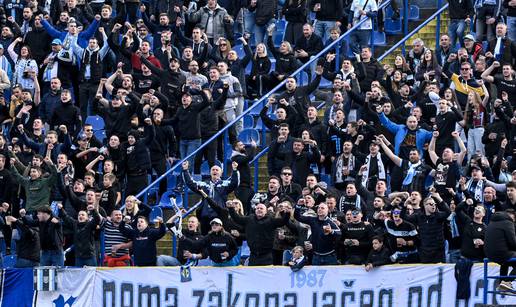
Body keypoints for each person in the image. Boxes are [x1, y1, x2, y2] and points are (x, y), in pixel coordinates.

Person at [485, 209, 516, 291]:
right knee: (507, 257)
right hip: (501, 253)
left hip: (490, 254)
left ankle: (501, 284)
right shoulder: (508, 222)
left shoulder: (492, 221)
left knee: (505, 262)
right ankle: (506, 282)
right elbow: (513, 243)